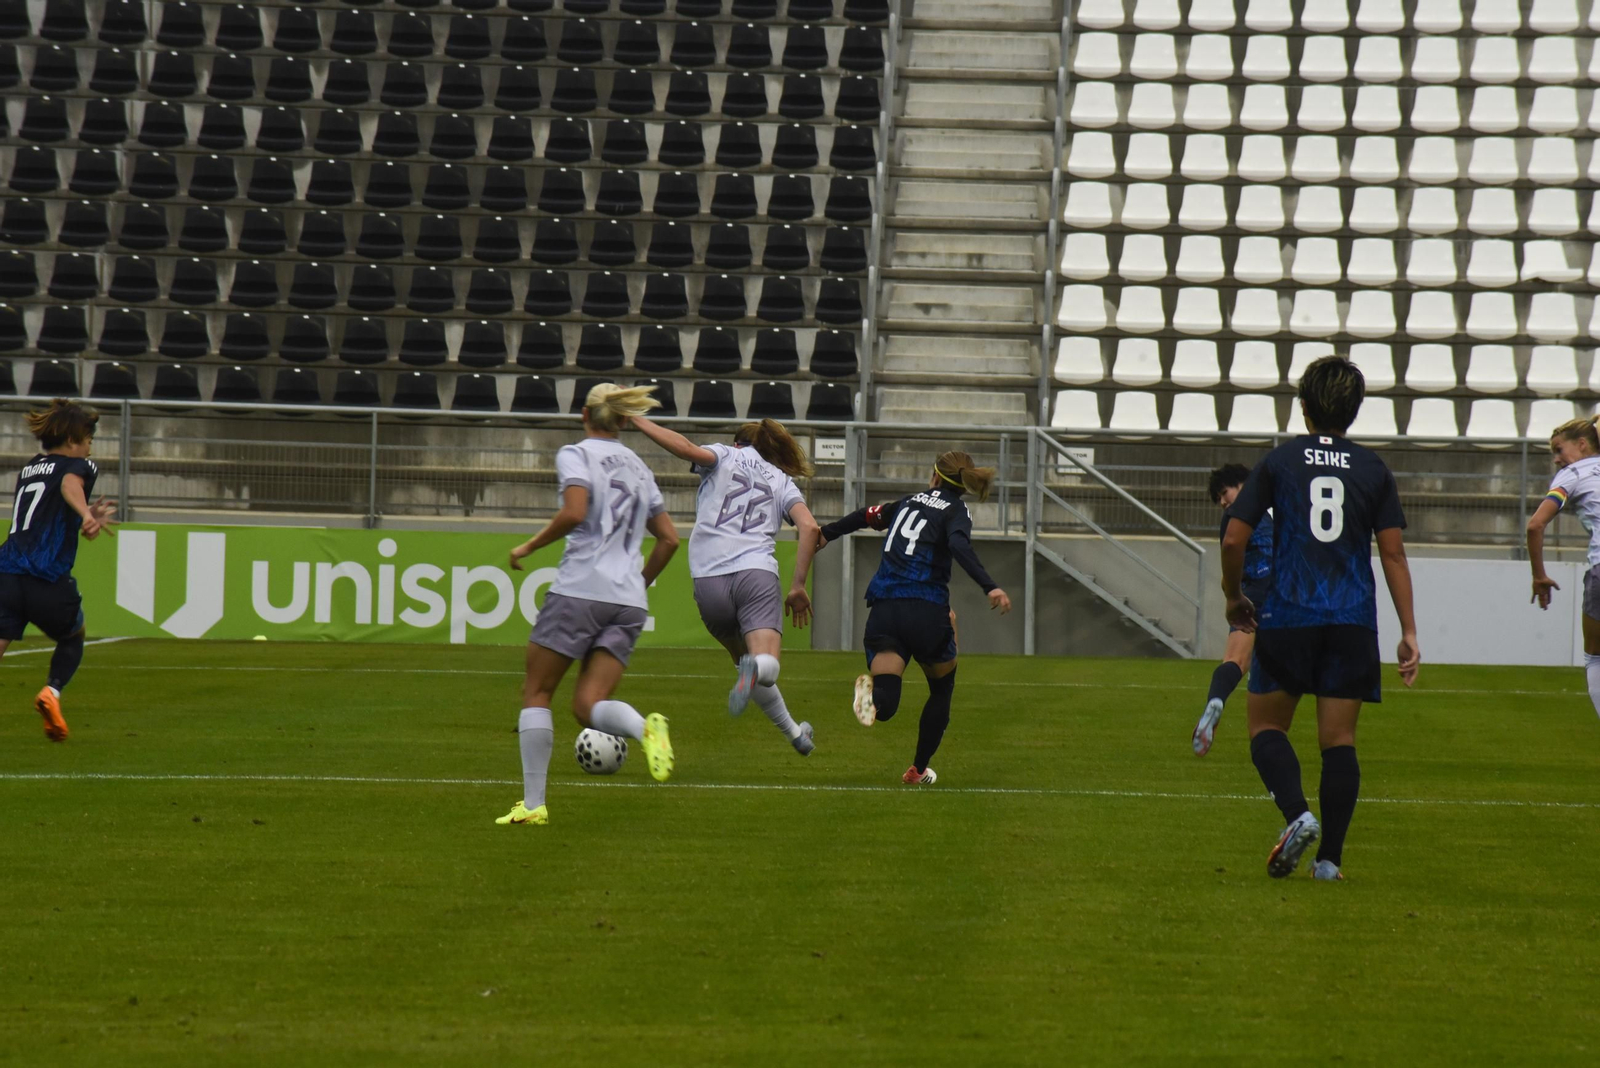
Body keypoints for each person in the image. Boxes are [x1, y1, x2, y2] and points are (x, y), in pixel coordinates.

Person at [1223, 355, 1420, 882]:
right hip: (1351, 619)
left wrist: (1233, 596)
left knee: (1265, 726)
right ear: (1354, 411)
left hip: (1289, 614)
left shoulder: (1280, 462)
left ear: (1304, 407)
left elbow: (1234, 537)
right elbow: (1394, 555)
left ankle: (1297, 815)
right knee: (1339, 741)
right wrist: (1408, 631)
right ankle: (1329, 861)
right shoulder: (1374, 468)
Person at [496, 384, 681, 827]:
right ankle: (644, 729)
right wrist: (636, 585)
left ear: (585, 414)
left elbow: (575, 512)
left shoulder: (575, 454)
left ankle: (534, 804)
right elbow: (670, 538)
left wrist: (528, 546)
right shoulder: (640, 467)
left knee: (538, 691)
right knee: (586, 705)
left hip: (580, 588)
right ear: (621, 420)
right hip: (628, 602)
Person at [629, 414, 823, 755]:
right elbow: (809, 528)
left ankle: (795, 734)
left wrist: (638, 421)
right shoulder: (781, 480)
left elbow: (686, 448)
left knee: (743, 662)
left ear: (738, 443)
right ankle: (756, 669)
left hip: (709, 579)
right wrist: (798, 586)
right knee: (767, 666)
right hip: (755, 574)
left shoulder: (724, 455)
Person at [818, 450, 1012, 785]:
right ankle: (918, 770)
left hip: (885, 610)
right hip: (926, 611)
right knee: (941, 690)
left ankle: (872, 698)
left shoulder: (907, 502)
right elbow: (958, 546)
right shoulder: (956, 510)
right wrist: (989, 586)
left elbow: (866, 515)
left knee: (887, 706)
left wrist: (827, 533)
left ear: (934, 476)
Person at [0, 399, 118, 741]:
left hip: (6, 572)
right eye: (88, 439)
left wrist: (80, 509)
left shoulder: (30, 469)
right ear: (72, 440)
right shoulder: (80, 465)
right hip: (46, 577)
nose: (89, 446)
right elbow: (69, 484)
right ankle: (51, 692)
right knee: (73, 636)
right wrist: (84, 515)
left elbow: (56, 497)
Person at [1193, 464, 1274, 757]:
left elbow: (1229, 565)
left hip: (1250, 595)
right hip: (1284, 592)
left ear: (1243, 484)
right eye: (1219, 500)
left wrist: (1231, 596)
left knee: (1234, 660)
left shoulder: (1234, 518)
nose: (1223, 503)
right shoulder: (1279, 506)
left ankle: (1216, 701)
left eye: (1224, 493)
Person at [1525, 415, 1600, 721]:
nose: (1557, 460)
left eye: (1559, 449)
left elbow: (1535, 526)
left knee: (1595, 656)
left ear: (1582, 445)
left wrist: (1539, 575)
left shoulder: (1573, 473)